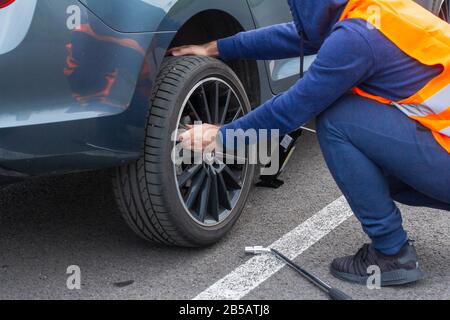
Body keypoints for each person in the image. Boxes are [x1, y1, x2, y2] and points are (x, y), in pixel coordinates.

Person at [172, 0, 450, 286]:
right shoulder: (370, 11)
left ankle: (392, 254)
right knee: (370, 151)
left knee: (337, 121)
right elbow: (294, 35)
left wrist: (220, 136)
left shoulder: (356, 38)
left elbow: (291, 109)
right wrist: (215, 48)